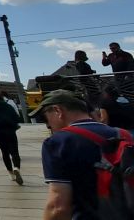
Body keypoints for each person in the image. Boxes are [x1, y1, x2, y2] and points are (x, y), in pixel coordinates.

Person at [34, 89, 115, 219]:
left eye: (45, 118)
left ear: (58, 111)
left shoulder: (58, 142)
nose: (48, 125)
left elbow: (58, 207)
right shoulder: (124, 134)